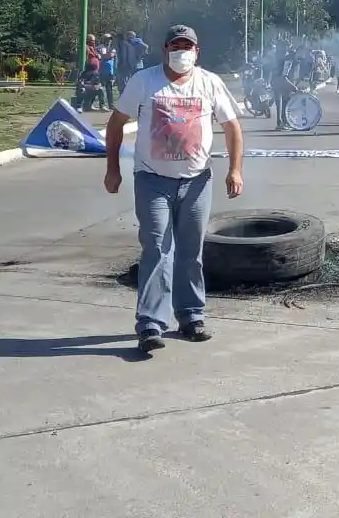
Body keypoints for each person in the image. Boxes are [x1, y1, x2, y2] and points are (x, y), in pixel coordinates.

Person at [103, 24, 244, 355]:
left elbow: (232, 127)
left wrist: (235, 170)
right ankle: (151, 323)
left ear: (197, 51)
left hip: (196, 181)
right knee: (156, 248)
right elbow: (115, 123)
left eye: (187, 46)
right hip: (152, 179)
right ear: (165, 49)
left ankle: (192, 315)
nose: (181, 51)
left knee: (190, 251)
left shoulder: (210, 82)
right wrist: (112, 169)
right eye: (175, 45)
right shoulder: (144, 81)